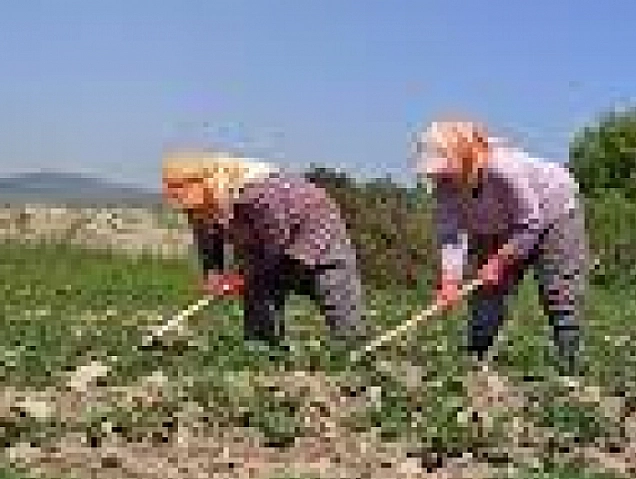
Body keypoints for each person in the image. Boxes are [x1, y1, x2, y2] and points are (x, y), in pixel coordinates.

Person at [415, 120, 591, 374]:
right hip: (495, 224)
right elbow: (451, 236)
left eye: (443, 169)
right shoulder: (443, 187)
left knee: (559, 291)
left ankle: (572, 364)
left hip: (553, 213)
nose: (438, 176)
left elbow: (531, 222)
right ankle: (475, 361)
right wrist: (450, 281)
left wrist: (499, 261)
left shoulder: (502, 169)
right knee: (486, 293)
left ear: (463, 156)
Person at [161, 152, 368, 349]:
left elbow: (275, 243)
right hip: (263, 240)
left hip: (317, 235)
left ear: (207, 185)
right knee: (258, 296)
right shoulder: (203, 204)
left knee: (335, 291)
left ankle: (353, 349)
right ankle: (263, 349)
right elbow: (206, 235)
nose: (191, 212)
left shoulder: (259, 193)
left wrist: (245, 275)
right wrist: (214, 272)